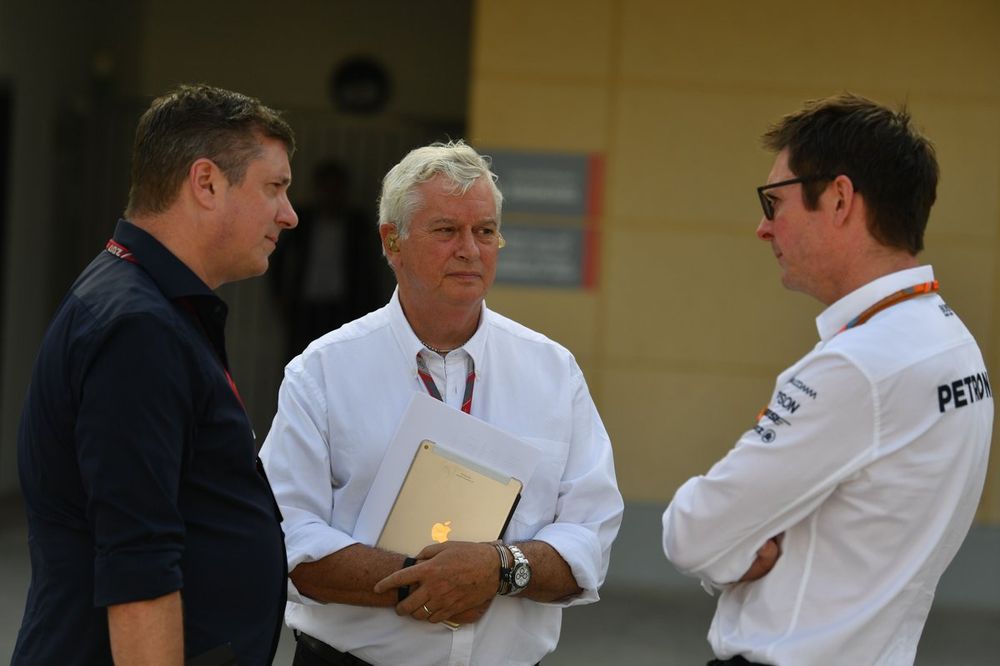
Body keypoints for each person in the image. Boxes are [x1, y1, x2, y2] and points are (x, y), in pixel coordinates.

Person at [260, 140, 624, 666]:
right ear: (392, 242)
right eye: (446, 230)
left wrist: (497, 569)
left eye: (485, 231)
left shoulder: (552, 372)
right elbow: (287, 534)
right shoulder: (323, 370)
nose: (470, 250)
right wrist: (430, 582)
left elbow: (590, 532)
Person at [661, 93, 993, 665]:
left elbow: (690, 534)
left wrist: (734, 551)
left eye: (774, 202)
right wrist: (742, 545)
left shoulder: (858, 366)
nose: (763, 228)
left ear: (839, 198)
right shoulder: (951, 343)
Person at [13, 84, 299, 665]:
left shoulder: (150, 303)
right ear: (206, 183)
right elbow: (137, 562)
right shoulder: (138, 327)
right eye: (274, 188)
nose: (289, 215)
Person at [269, 159, 387, 362]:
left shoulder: (356, 223)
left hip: (344, 307)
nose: (331, 196)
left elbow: (369, 268)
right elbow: (278, 260)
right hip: (305, 306)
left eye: (336, 189)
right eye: (326, 189)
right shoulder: (302, 221)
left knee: (342, 361)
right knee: (300, 360)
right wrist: (281, 297)